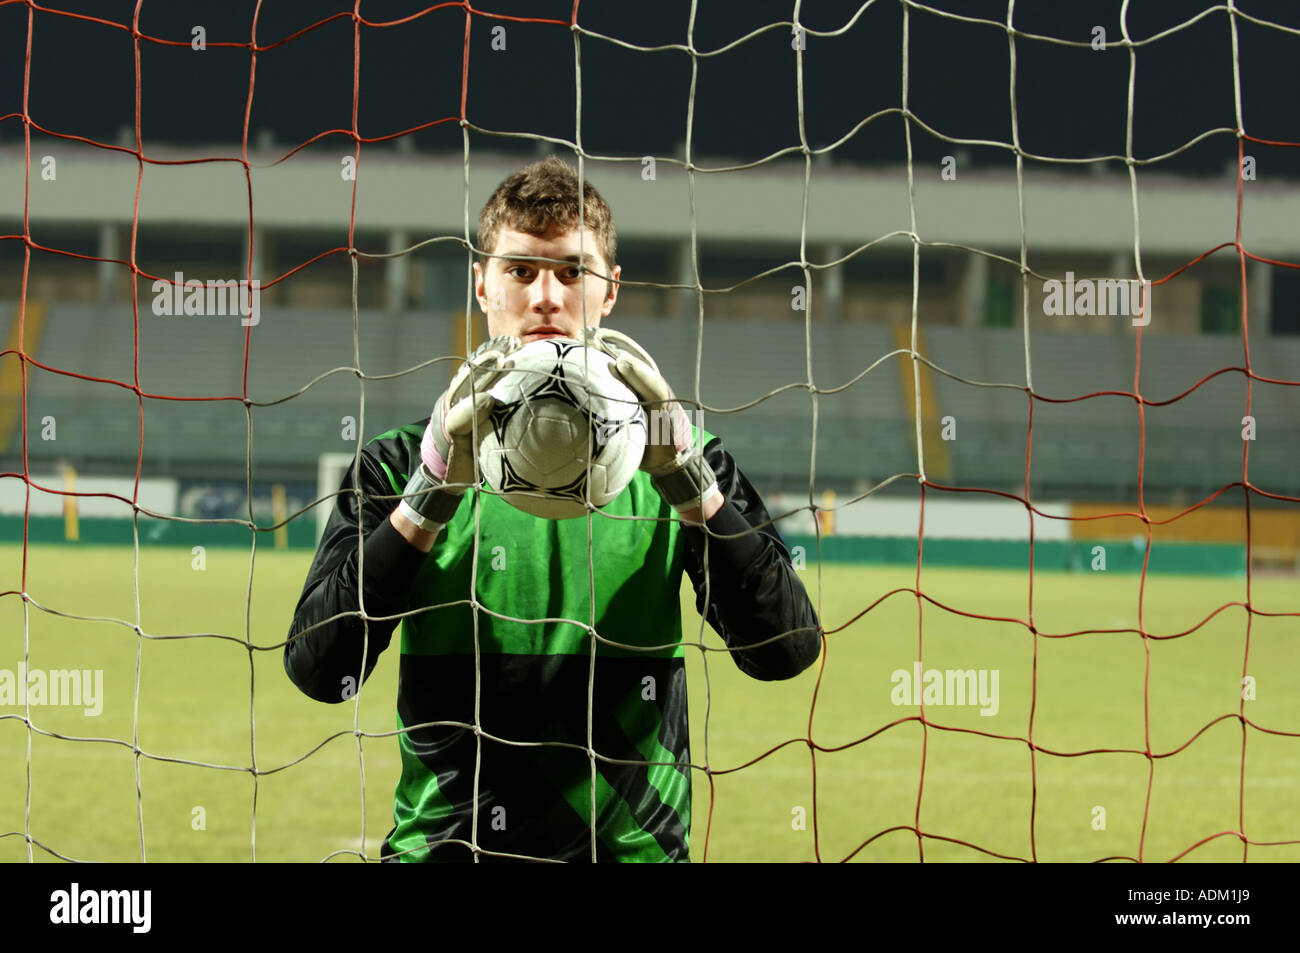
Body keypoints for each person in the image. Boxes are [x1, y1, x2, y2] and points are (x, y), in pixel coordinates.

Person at [284, 156, 821, 862]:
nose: (546, 297)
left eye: (573, 272)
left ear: (610, 292)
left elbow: (785, 651)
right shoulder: (398, 462)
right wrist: (429, 495)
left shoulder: (682, 462)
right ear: (481, 283)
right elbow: (321, 671)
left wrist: (694, 487)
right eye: (521, 270)